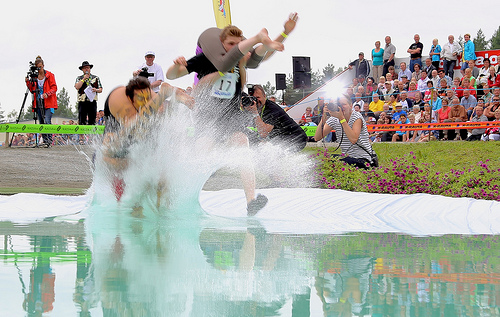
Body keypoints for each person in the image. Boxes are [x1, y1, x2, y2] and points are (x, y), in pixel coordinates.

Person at [166, 24, 288, 215]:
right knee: (202, 152)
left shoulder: (241, 60)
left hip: (231, 119)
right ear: (221, 44)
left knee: (243, 145)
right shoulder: (206, 58)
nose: (235, 47)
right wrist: (176, 64)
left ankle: (251, 202)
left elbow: (262, 53)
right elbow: (172, 75)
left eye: (238, 44)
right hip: (208, 119)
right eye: (230, 44)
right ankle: (181, 196)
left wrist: (284, 33)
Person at [103, 77, 193, 202]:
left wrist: (176, 98)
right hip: (124, 135)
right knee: (115, 156)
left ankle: (161, 205)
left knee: (157, 173)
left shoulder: (149, 105)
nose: (145, 101)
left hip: (137, 131)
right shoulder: (123, 105)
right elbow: (132, 127)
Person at [314, 95, 377, 168]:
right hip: (347, 158)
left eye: (344, 104)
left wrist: (342, 119)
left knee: (334, 161)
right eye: (339, 105)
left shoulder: (356, 116)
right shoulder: (334, 119)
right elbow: (317, 137)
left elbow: (353, 139)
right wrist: (323, 117)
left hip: (363, 159)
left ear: (350, 105)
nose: (341, 107)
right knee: (322, 160)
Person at [244, 85, 307, 151]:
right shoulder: (255, 108)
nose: (256, 101)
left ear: (264, 96)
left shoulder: (271, 108)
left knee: (274, 154)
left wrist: (255, 113)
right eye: (253, 98)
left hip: (296, 137)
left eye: (258, 97)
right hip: (281, 136)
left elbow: (263, 133)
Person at [25, 55, 57, 147]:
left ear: (43, 65)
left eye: (40, 66)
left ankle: (49, 140)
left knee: (47, 120)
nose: (39, 68)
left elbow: (54, 87)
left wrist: (48, 93)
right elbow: (32, 90)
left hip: (48, 101)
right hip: (38, 102)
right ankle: (45, 140)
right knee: (41, 122)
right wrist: (28, 82)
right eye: (37, 67)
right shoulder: (34, 77)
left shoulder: (50, 75)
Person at [75, 61, 102, 126]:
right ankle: (81, 135)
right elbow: (77, 87)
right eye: (84, 68)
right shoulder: (79, 78)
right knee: (82, 120)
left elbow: (101, 89)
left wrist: (96, 90)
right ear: (82, 69)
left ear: (90, 68)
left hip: (92, 101)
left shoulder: (96, 78)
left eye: (88, 67)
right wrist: (83, 79)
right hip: (82, 101)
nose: (86, 69)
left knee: (92, 120)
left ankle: (91, 135)